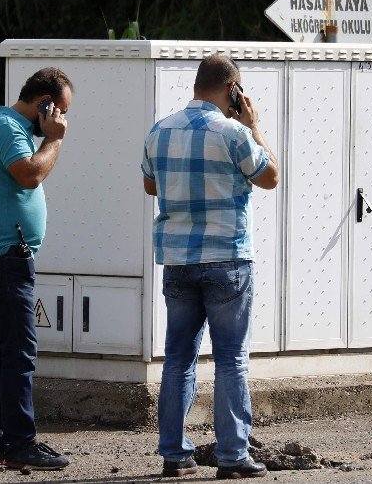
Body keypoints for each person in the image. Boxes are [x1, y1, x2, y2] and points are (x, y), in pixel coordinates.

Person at [141, 55, 279, 479]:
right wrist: (254, 125)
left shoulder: (160, 130)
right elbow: (270, 176)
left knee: (178, 359)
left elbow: (151, 185)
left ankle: (174, 454)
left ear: (197, 84)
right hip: (227, 259)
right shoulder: (235, 133)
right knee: (231, 359)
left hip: (179, 261)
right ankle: (233, 456)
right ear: (233, 89)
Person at [0, 67, 73, 471]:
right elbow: (29, 175)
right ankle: (20, 445)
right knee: (20, 354)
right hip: (6, 261)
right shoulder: (9, 129)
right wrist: (54, 139)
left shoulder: (3, 127)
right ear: (44, 102)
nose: (62, 119)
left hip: (0, 255)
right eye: (60, 110)